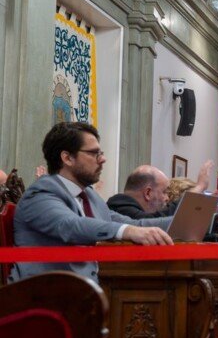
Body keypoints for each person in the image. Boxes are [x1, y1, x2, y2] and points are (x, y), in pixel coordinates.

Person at [11, 122, 173, 284]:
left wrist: (186, 221)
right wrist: (128, 231)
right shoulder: (39, 195)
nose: (103, 159)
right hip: (44, 296)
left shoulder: (89, 196)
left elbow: (136, 224)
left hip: (87, 292)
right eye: (94, 153)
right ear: (67, 158)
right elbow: (71, 225)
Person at [108, 161, 213, 219]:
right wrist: (199, 187)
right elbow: (156, 221)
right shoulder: (121, 209)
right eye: (164, 192)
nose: (167, 198)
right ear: (148, 193)